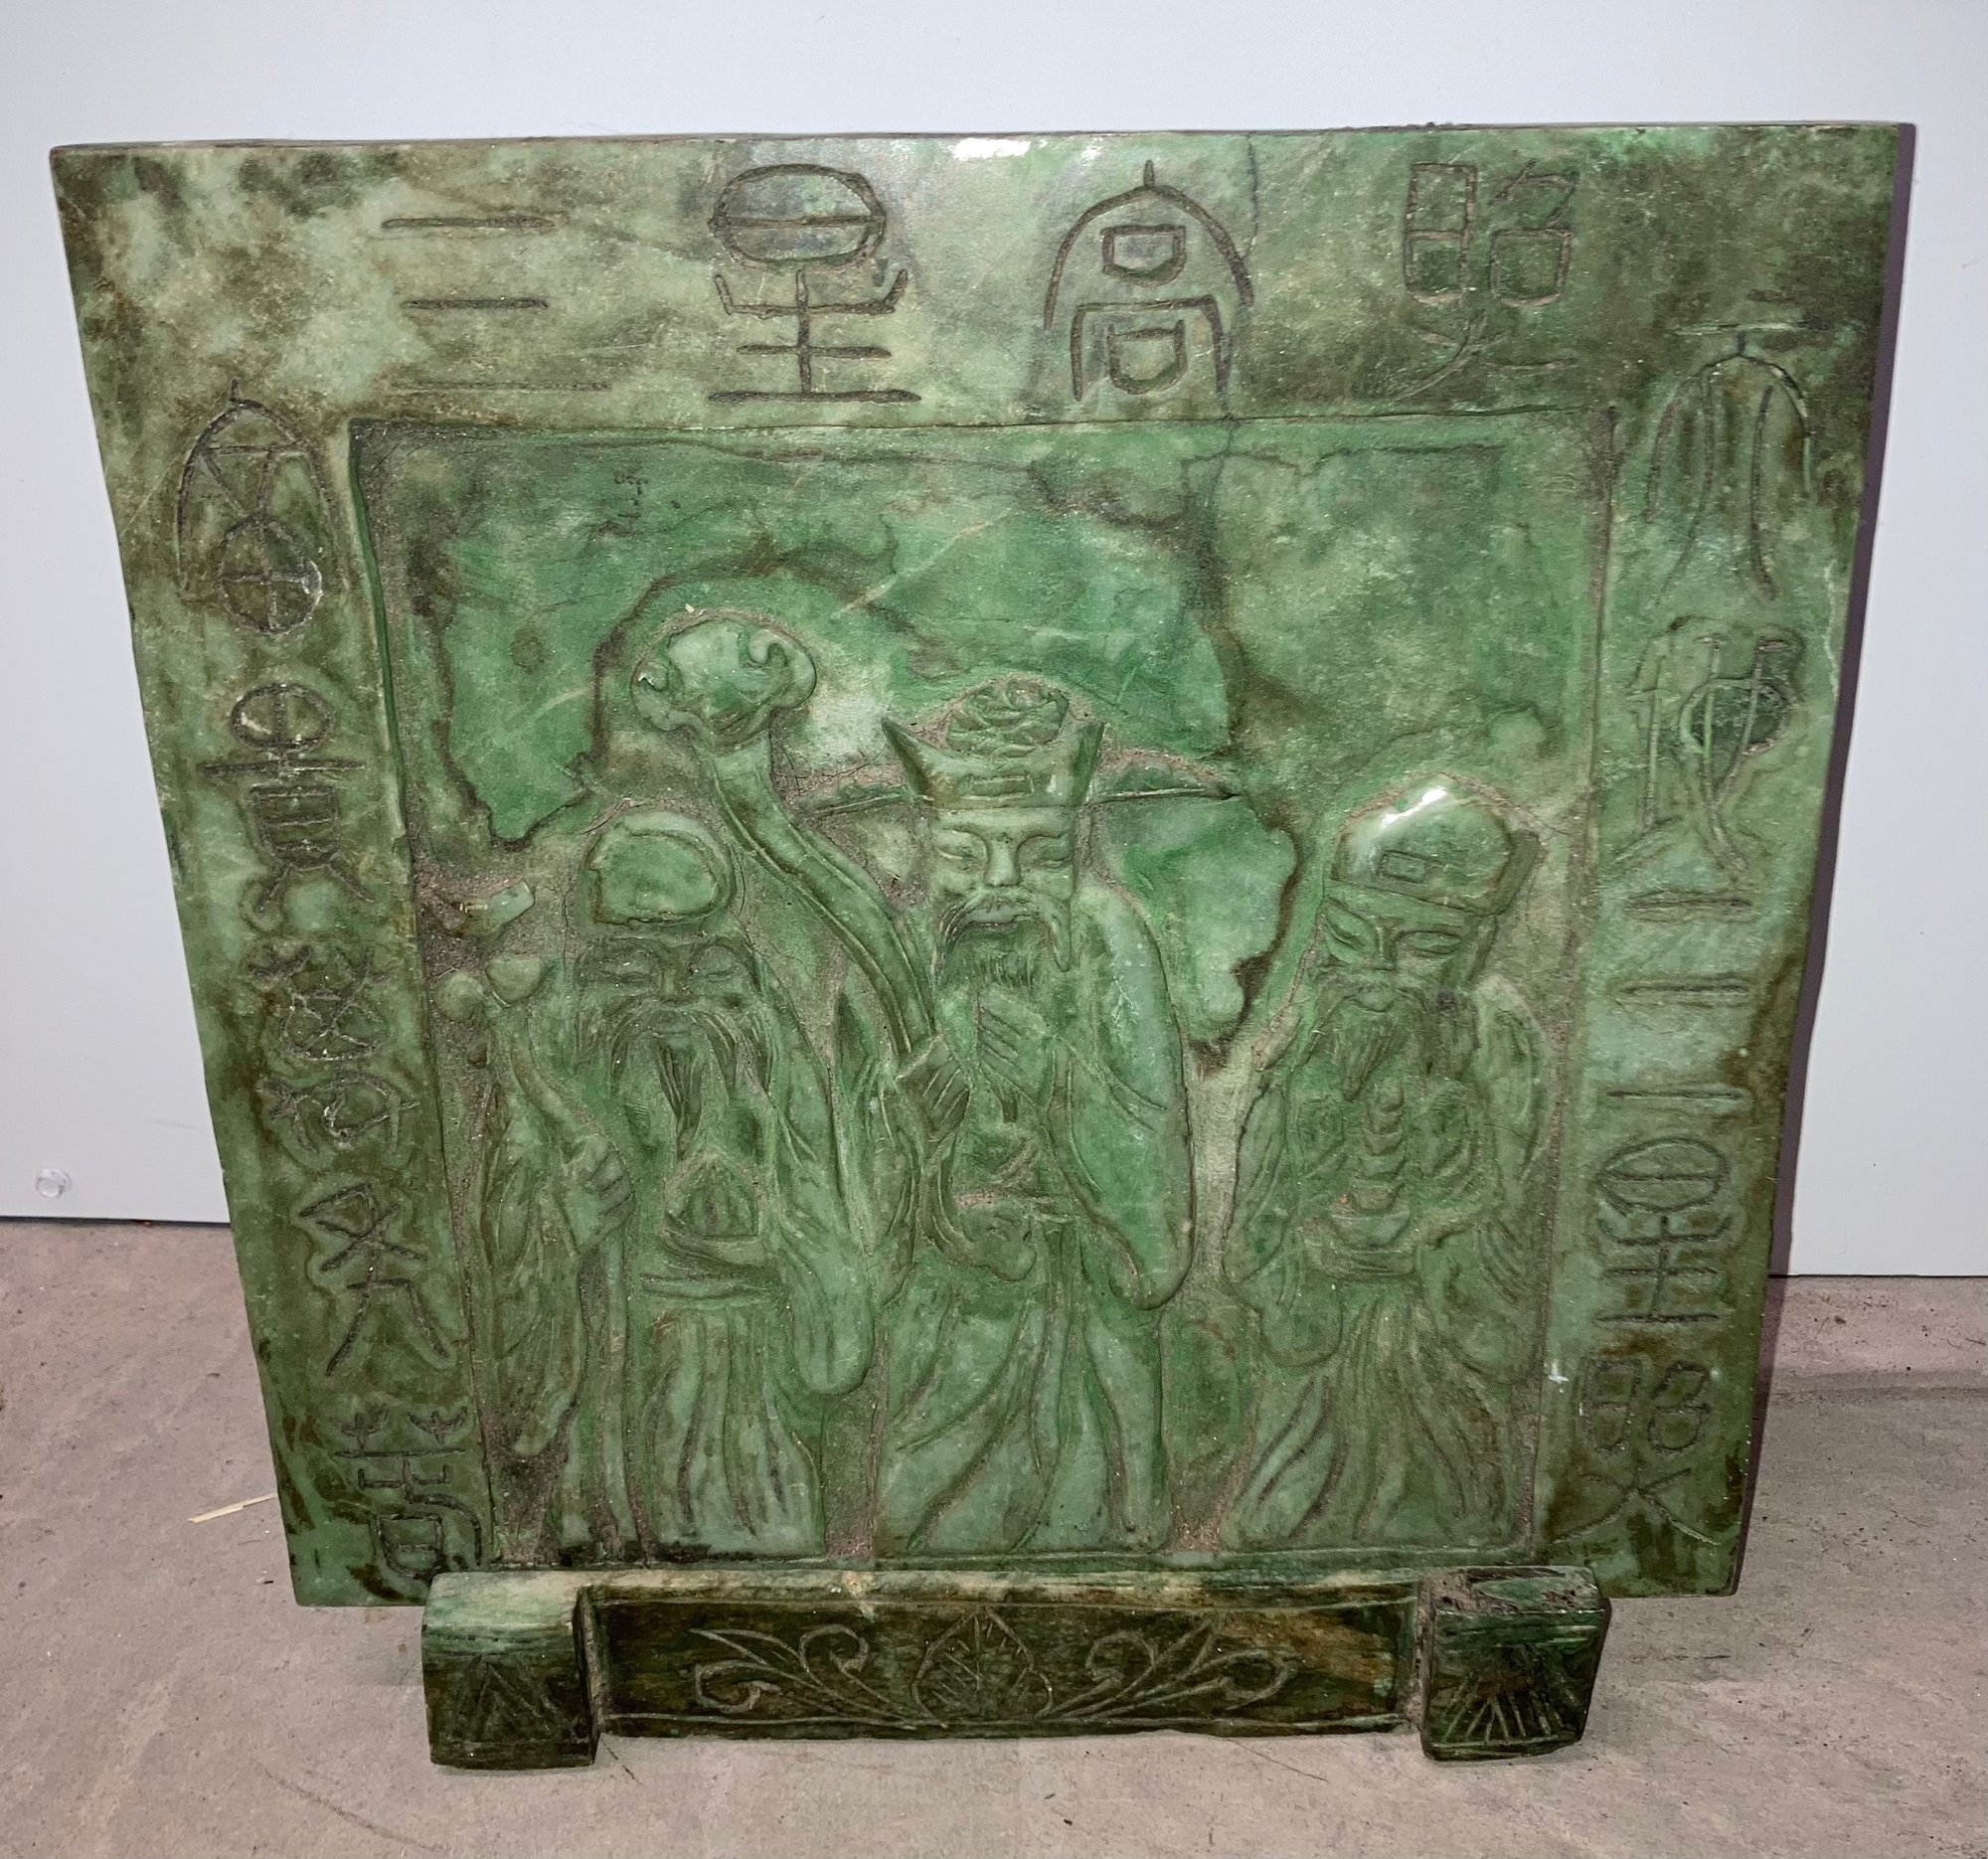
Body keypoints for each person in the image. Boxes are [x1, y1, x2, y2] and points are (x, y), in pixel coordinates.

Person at [865, 679, 1194, 1555]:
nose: (1002, 885)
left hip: (1081, 1284)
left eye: (1041, 854)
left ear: (1077, 844)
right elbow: (862, 1137)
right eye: (965, 855)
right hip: (951, 1290)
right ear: (926, 845)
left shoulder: (1107, 933)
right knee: (923, 1507)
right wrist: (921, 1134)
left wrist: (1056, 1079)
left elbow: (1150, 1127)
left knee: (1085, 1487)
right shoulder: (903, 942)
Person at [1223, 780, 1547, 1549]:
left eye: (1422, 946)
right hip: (1321, 1317)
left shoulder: (1495, 1043)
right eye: (1351, 935)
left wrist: (1431, 1238)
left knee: (1451, 1476)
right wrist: (1302, 1240)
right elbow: (1259, 1197)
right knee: (1290, 1486)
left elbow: (1520, 1206)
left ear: (1473, 949)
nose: (1376, 970)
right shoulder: (1303, 1041)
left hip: (1431, 1318)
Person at [568, 808, 871, 1556]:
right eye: (635, 969)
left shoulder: (774, 1070)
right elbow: (503, 1255)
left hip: (756, 1378)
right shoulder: (559, 1077)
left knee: (760, 1515)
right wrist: (565, 1229)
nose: (675, 996)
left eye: (706, 968)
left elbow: (827, 1231)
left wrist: (772, 1247)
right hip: (622, 1365)